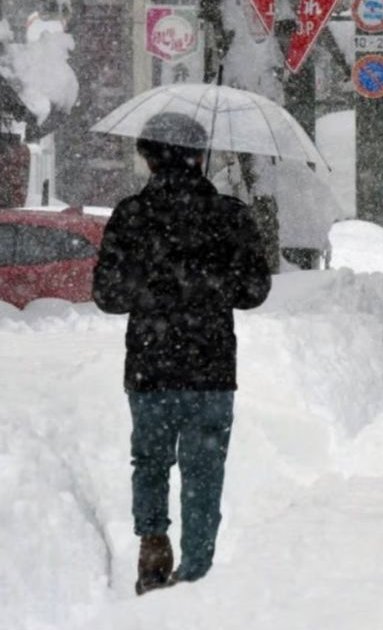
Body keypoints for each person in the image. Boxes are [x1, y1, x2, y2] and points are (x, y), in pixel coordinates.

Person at [92, 112, 272, 594]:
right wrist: (208, 281)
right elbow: (254, 291)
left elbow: (108, 296)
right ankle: (196, 570)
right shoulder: (230, 215)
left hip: (150, 366)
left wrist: (153, 285)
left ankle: (153, 541)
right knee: (204, 469)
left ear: (148, 156)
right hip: (211, 368)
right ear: (199, 157)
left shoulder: (131, 215)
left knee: (149, 461)